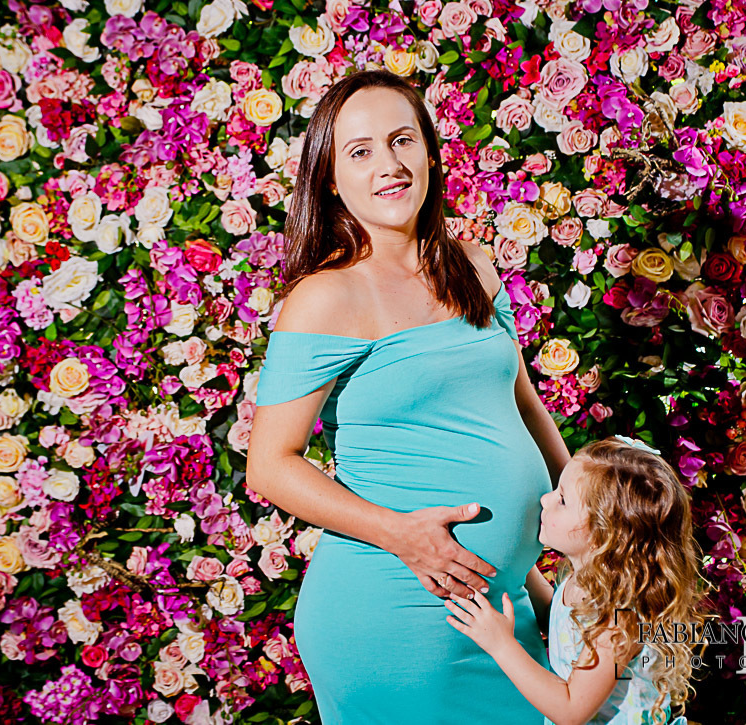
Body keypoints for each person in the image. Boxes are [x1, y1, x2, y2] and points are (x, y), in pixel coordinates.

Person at [245, 70, 571, 723]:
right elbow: (269, 465)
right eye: (360, 151)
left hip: (501, 603)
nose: (388, 165)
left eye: (402, 141)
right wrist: (403, 536)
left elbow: (521, 406)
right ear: (330, 178)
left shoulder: (473, 264)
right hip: (397, 609)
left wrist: (596, 533)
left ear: (429, 152)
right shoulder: (327, 296)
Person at [445, 437, 704, 725]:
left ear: (604, 534)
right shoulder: (586, 580)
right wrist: (516, 566)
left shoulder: (619, 619)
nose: (545, 499)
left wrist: (499, 643)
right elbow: (562, 624)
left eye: (563, 500)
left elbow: (570, 710)